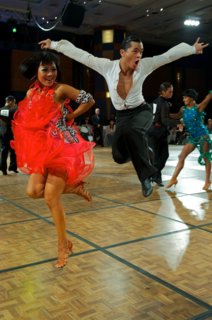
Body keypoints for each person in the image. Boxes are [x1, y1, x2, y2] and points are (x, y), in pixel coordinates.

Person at [39, 36, 208, 197]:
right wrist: (54, 44)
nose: (139, 55)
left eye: (141, 51)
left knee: (133, 131)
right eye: (135, 51)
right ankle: (144, 149)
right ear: (122, 53)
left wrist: (192, 49)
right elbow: (83, 56)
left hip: (142, 111)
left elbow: (168, 56)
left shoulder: (145, 65)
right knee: (119, 157)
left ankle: (145, 177)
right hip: (122, 115)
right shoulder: (107, 67)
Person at [11, 50, 95, 268]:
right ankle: (74, 188)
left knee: (50, 197)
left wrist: (72, 115)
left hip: (61, 148)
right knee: (32, 191)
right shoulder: (31, 93)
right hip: (41, 149)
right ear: (36, 72)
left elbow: (89, 100)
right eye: (45, 69)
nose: (50, 73)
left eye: (53, 69)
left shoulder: (61, 89)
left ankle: (62, 245)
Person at [166, 89, 212, 191]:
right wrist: (165, 114)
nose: (183, 99)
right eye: (183, 97)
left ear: (191, 98)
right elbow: (177, 116)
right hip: (192, 137)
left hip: (202, 136)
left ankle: (207, 181)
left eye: (185, 97)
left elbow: (208, 97)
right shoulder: (183, 109)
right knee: (181, 156)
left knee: (205, 158)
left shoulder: (198, 107)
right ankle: (173, 178)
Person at [147, 82, 181, 186]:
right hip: (158, 133)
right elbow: (165, 120)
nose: (171, 93)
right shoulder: (164, 103)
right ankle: (153, 174)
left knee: (158, 157)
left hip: (152, 131)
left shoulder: (155, 101)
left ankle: (156, 176)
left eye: (172, 91)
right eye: (170, 91)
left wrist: (177, 117)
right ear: (163, 92)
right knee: (163, 156)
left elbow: (161, 116)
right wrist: (178, 124)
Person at [0, 95, 18, 175]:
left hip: (3, 133)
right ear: (10, 101)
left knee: (5, 151)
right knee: (12, 151)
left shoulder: (0, 110)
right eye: (14, 102)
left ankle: (5, 169)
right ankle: (12, 167)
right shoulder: (13, 110)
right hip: (11, 133)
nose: (14, 104)